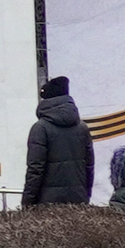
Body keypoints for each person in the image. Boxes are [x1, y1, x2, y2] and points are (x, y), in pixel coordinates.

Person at [20, 75, 93, 207]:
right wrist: (86, 196)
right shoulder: (82, 128)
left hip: (47, 204)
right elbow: (89, 167)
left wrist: (27, 203)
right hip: (78, 203)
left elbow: (35, 169)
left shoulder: (40, 128)